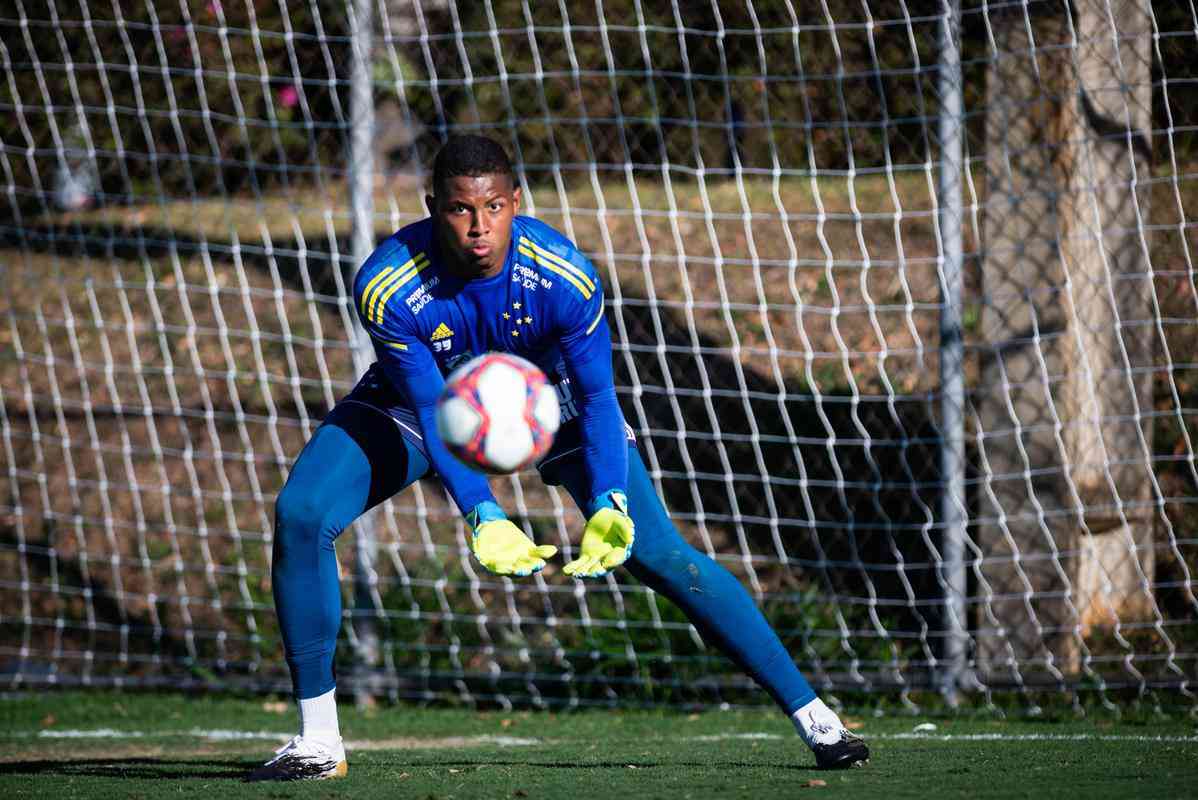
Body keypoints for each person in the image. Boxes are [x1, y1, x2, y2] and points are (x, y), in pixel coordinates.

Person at [249, 135, 870, 781]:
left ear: (516, 201)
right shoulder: (389, 283)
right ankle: (317, 742)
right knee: (302, 512)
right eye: (460, 210)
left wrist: (610, 502)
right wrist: (484, 513)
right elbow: (435, 410)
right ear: (433, 207)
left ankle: (818, 720)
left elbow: (599, 394)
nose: (479, 226)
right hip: (422, 403)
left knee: (658, 551)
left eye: (493, 206)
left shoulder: (563, 275)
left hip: (558, 402)